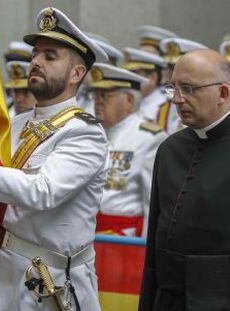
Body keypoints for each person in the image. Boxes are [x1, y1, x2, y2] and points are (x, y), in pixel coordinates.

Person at [0, 7, 109, 310]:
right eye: (35, 55)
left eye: (50, 56)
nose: (36, 62)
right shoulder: (15, 124)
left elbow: (41, 192)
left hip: (48, 278)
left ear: (76, 74)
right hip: (2, 265)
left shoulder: (84, 133)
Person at [139, 48, 230, 310]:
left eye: (189, 89)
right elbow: (154, 243)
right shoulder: (169, 149)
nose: (177, 99)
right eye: (173, 88)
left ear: (222, 94)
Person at [91, 63, 166, 237]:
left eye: (105, 95)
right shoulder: (93, 134)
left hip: (124, 237)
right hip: (89, 233)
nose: (97, 101)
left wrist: (146, 250)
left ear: (129, 102)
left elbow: (152, 203)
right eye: (96, 95)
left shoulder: (149, 138)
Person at [156, 38, 207, 134]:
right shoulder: (163, 109)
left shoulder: (206, 105)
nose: (172, 74)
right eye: (170, 68)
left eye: (179, 68)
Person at [122, 47, 168, 123]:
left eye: (134, 74)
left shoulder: (164, 107)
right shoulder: (130, 100)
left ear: (152, 78)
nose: (128, 79)